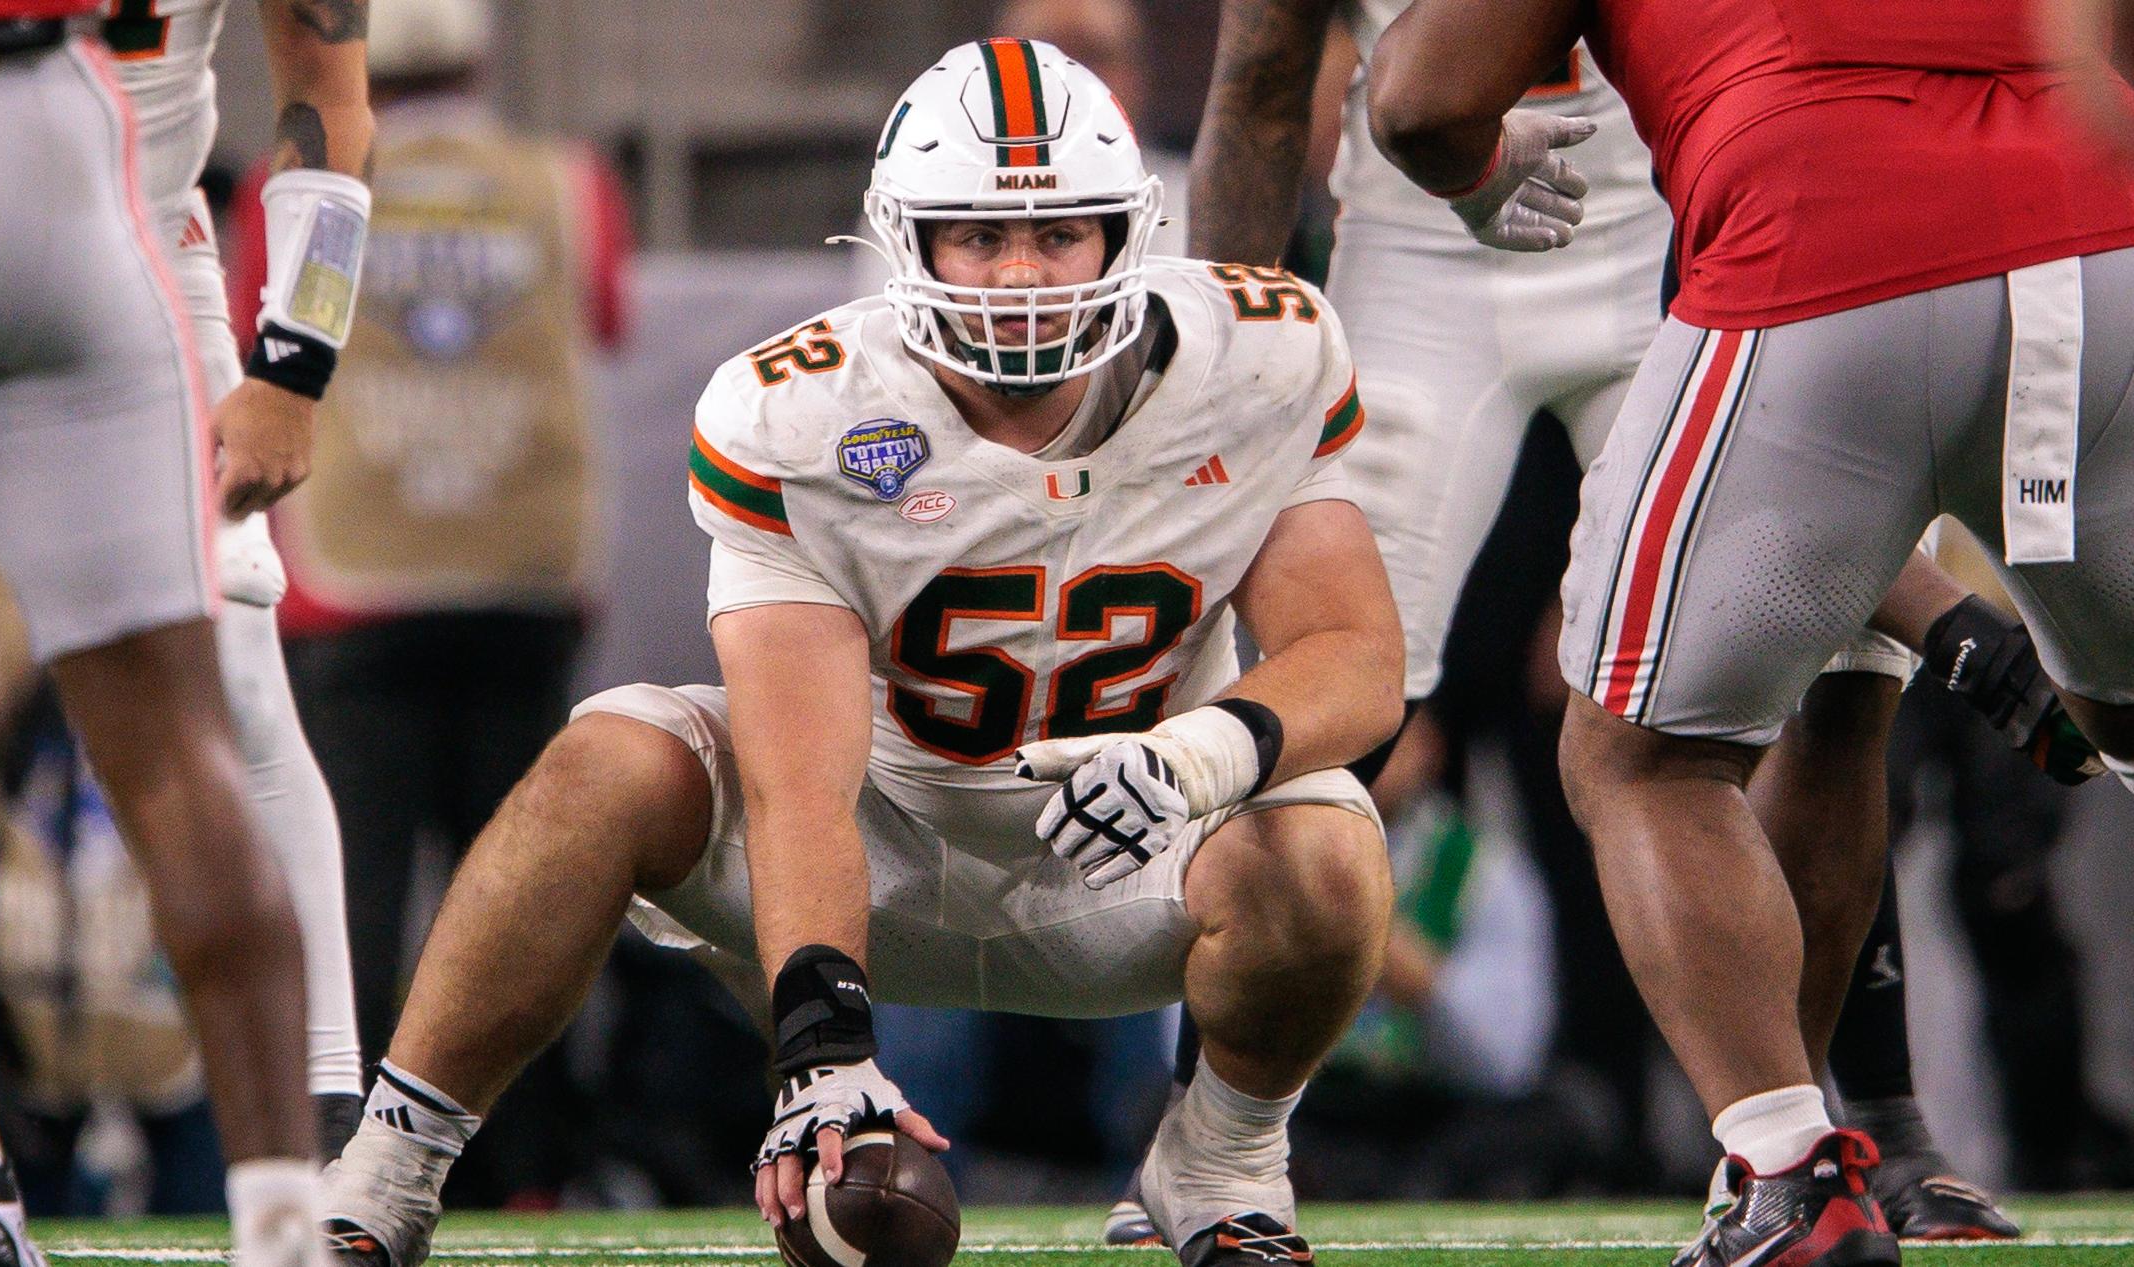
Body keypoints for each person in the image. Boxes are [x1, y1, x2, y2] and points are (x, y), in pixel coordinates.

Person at [322, 38, 1402, 1267]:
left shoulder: (1252, 356)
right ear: (906, 241)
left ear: (1124, 232)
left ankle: (1218, 1166)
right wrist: (820, 1047)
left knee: (1326, 847)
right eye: (978, 238)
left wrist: (1197, 755)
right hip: (878, 841)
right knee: (601, 763)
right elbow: (798, 776)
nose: (1018, 276)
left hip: (1134, 857)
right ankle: (383, 1178)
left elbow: (1354, 655)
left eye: (1056, 235)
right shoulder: (806, 409)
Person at [1107, 0, 2073, 1245]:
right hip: (1420, 266)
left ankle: (1867, 1125)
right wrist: (1226, 366)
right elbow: (1257, 84)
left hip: (1673, 243)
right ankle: (1211, 1135)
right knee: (1324, 687)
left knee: (1827, 675)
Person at [1368, 0, 2134, 1263]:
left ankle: (1787, 1173)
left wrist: (1478, 173)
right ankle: (1861, 1129)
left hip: (1821, 237)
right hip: (2099, 237)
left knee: (1641, 759)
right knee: (2082, 721)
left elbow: (1418, 96)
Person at [0, 2, 358, 1264]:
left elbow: (328, 89)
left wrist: (293, 363)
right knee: (177, 720)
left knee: (234, 685)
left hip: (138, 218)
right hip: (60, 181)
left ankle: (329, 1126)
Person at [233, 8, 628, 1183]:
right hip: (523, 579)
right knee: (533, 900)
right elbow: (610, 317)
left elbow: (257, 344)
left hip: (354, 586)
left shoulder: (283, 183)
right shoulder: (569, 182)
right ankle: (532, 1174)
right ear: (482, 50)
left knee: (353, 885)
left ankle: (345, 1168)